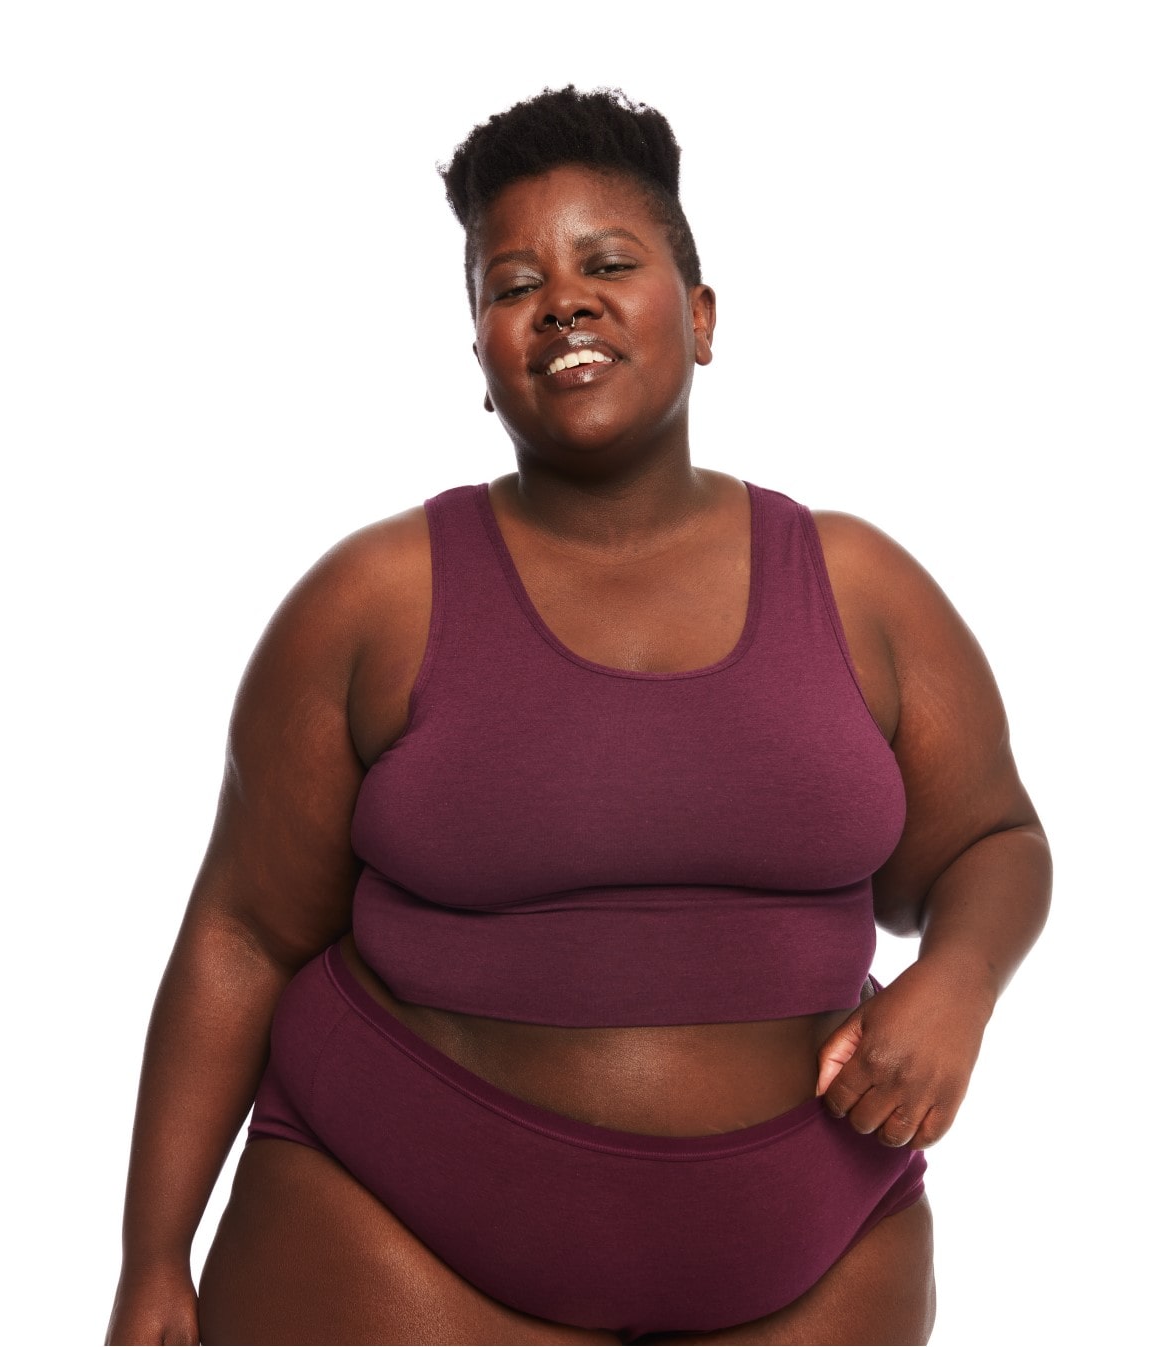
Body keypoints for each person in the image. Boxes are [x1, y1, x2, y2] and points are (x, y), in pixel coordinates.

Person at [105, 87, 1051, 1347]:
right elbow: (241, 931)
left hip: (817, 1250)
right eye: (513, 286)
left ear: (701, 317)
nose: (562, 302)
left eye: (608, 265)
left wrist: (959, 984)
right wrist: (152, 1258)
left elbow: (993, 842)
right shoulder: (370, 603)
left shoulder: (861, 587)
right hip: (393, 1233)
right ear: (481, 357)